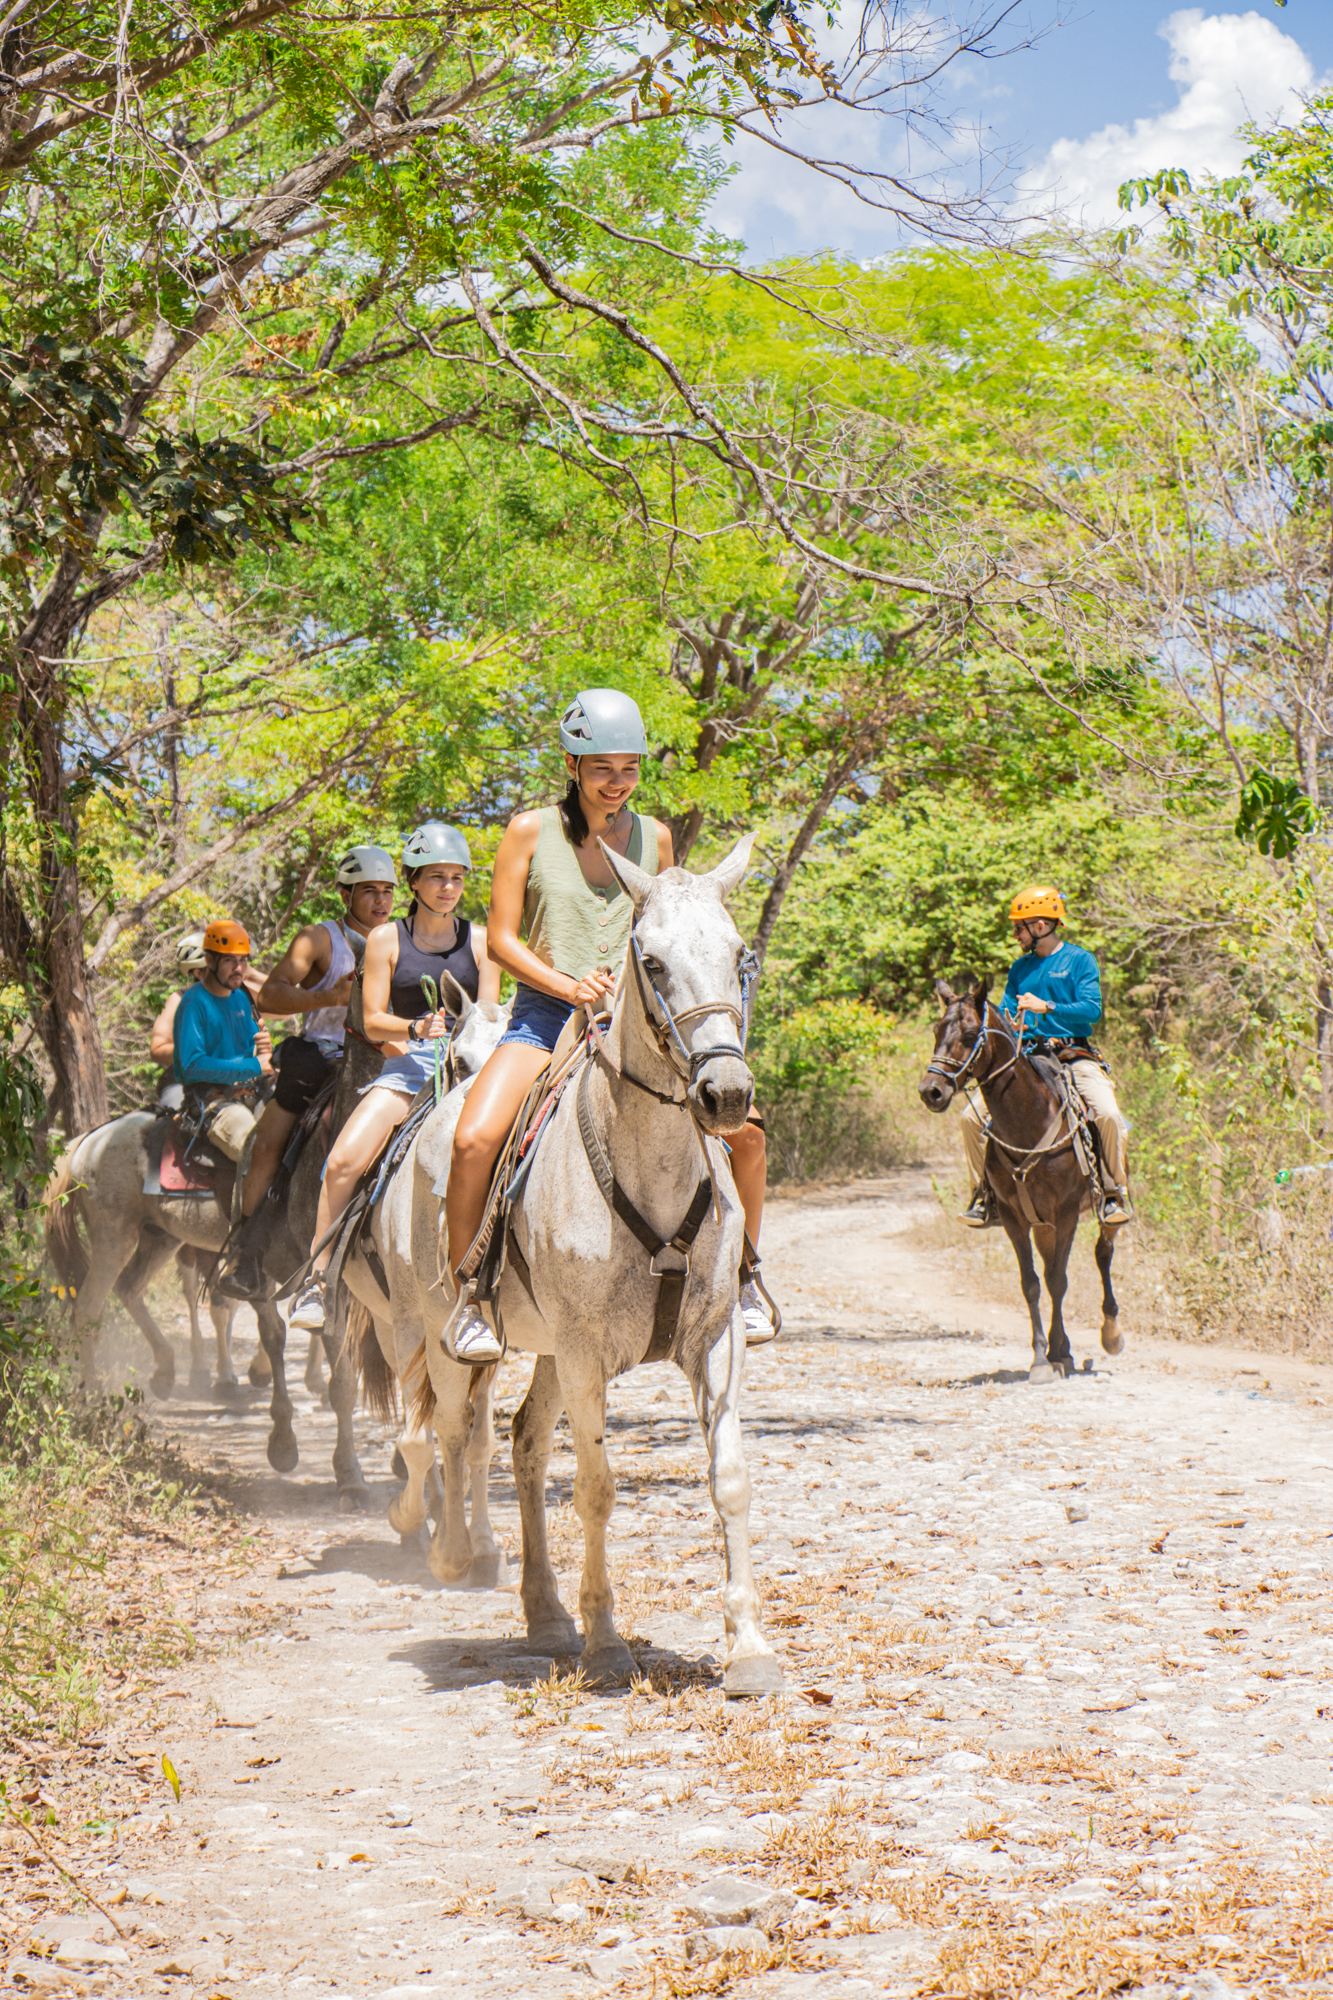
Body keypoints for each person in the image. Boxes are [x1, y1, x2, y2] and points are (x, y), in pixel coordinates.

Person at [440, 688, 775, 1369]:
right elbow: (501, 942)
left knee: (745, 1137)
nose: (615, 781)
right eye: (601, 767)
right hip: (544, 1016)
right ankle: (469, 1297)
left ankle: (742, 1279)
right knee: (475, 1139)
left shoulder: (656, 838)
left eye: (628, 767)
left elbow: (665, 932)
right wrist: (568, 987)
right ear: (571, 763)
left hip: (636, 1026)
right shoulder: (529, 831)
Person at [287, 824, 499, 1332]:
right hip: (410, 1067)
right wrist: (414, 1027)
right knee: (341, 1163)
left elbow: (489, 1012)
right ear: (414, 882)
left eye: (456, 878)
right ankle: (317, 1283)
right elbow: (369, 1017)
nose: (448, 888)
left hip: (472, 1069)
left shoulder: (481, 941)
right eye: (436, 878)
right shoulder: (386, 939)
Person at [216, 846, 399, 1300]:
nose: (380, 901)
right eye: (369, 891)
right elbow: (271, 998)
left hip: (392, 1061)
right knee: (266, 1144)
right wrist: (330, 998)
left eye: (387, 891)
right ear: (344, 893)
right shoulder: (319, 939)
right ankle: (246, 1253)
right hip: (321, 1060)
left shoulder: (405, 938)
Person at [959, 885, 1132, 1229]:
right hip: (1028, 1058)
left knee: (1109, 1114)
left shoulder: (1080, 960)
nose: (1015, 934)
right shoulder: (1019, 969)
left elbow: (1091, 1011)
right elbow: (1009, 1012)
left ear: (1042, 926)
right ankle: (983, 1194)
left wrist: (1046, 1006)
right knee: (969, 1117)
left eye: (1019, 927)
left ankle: (1114, 1192)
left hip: (1073, 1055)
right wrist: (1007, 1020)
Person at [173, 919, 273, 1162]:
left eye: (243, 960)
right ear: (209, 961)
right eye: (230, 960)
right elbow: (192, 1065)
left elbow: (253, 1051)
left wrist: (265, 1054)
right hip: (210, 1101)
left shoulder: (239, 998)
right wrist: (254, 1066)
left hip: (250, 1093)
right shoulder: (194, 1004)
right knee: (256, 1155)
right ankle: (249, 1202)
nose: (239, 968)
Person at [151, 932, 208, 1111]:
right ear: (199, 973)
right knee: (174, 1112)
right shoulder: (179, 1000)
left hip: (238, 1084)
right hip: (184, 1085)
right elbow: (157, 1049)